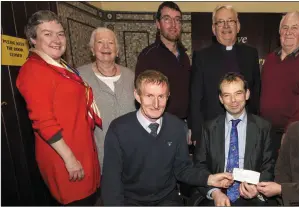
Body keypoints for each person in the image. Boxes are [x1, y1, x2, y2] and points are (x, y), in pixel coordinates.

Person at [101, 70, 234, 206]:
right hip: (131, 201)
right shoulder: (119, 129)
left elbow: (182, 169)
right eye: (149, 96)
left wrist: (210, 179)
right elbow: (111, 180)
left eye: (161, 96)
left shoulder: (176, 127)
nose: (156, 104)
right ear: (137, 95)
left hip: (167, 199)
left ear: (168, 96)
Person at [16, 10, 101, 205]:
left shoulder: (59, 67)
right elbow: (43, 122)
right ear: (32, 39)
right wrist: (70, 159)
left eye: (60, 33)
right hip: (64, 159)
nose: (56, 39)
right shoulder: (33, 70)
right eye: (47, 33)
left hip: (82, 152)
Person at [193, 72, 276, 206]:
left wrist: (257, 190)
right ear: (221, 99)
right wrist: (215, 192)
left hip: (252, 195)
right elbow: (199, 166)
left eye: (238, 93)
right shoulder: (208, 128)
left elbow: (269, 166)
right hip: (217, 194)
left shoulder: (263, 127)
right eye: (227, 95)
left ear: (247, 94)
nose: (233, 100)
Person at [189, 5, 261, 145]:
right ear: (213, 29)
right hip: (212, 130)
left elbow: (256, 91)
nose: (226, 26)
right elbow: (195, 97)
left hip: (245, 129)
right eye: (220, 22)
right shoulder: (202, 57)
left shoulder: (251, 54)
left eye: (230, 21)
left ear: (238, 26)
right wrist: (197, 132)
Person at [260, 11, 299, 156]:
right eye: (285, 27)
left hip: (291, 134)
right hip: (265, 132)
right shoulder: (270, 59)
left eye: (294, 28)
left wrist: (289, 133)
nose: (288, 32)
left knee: (285, 177)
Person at [135, 2, 194, 145]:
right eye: (167, 19)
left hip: (183, 126)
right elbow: (142, 96)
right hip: (160, 126)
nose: (173, 24)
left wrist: (191, 126)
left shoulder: (184, 56)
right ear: (158, 23)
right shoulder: (148, 56)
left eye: (177, 20)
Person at [77, 27, 136, 171]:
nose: (105, 47)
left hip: (132, 151)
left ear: (117, 50)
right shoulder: (80, 77)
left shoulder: (130, 75)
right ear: (92, 49)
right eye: (100, 42)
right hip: (100, 153)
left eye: (110, 43)